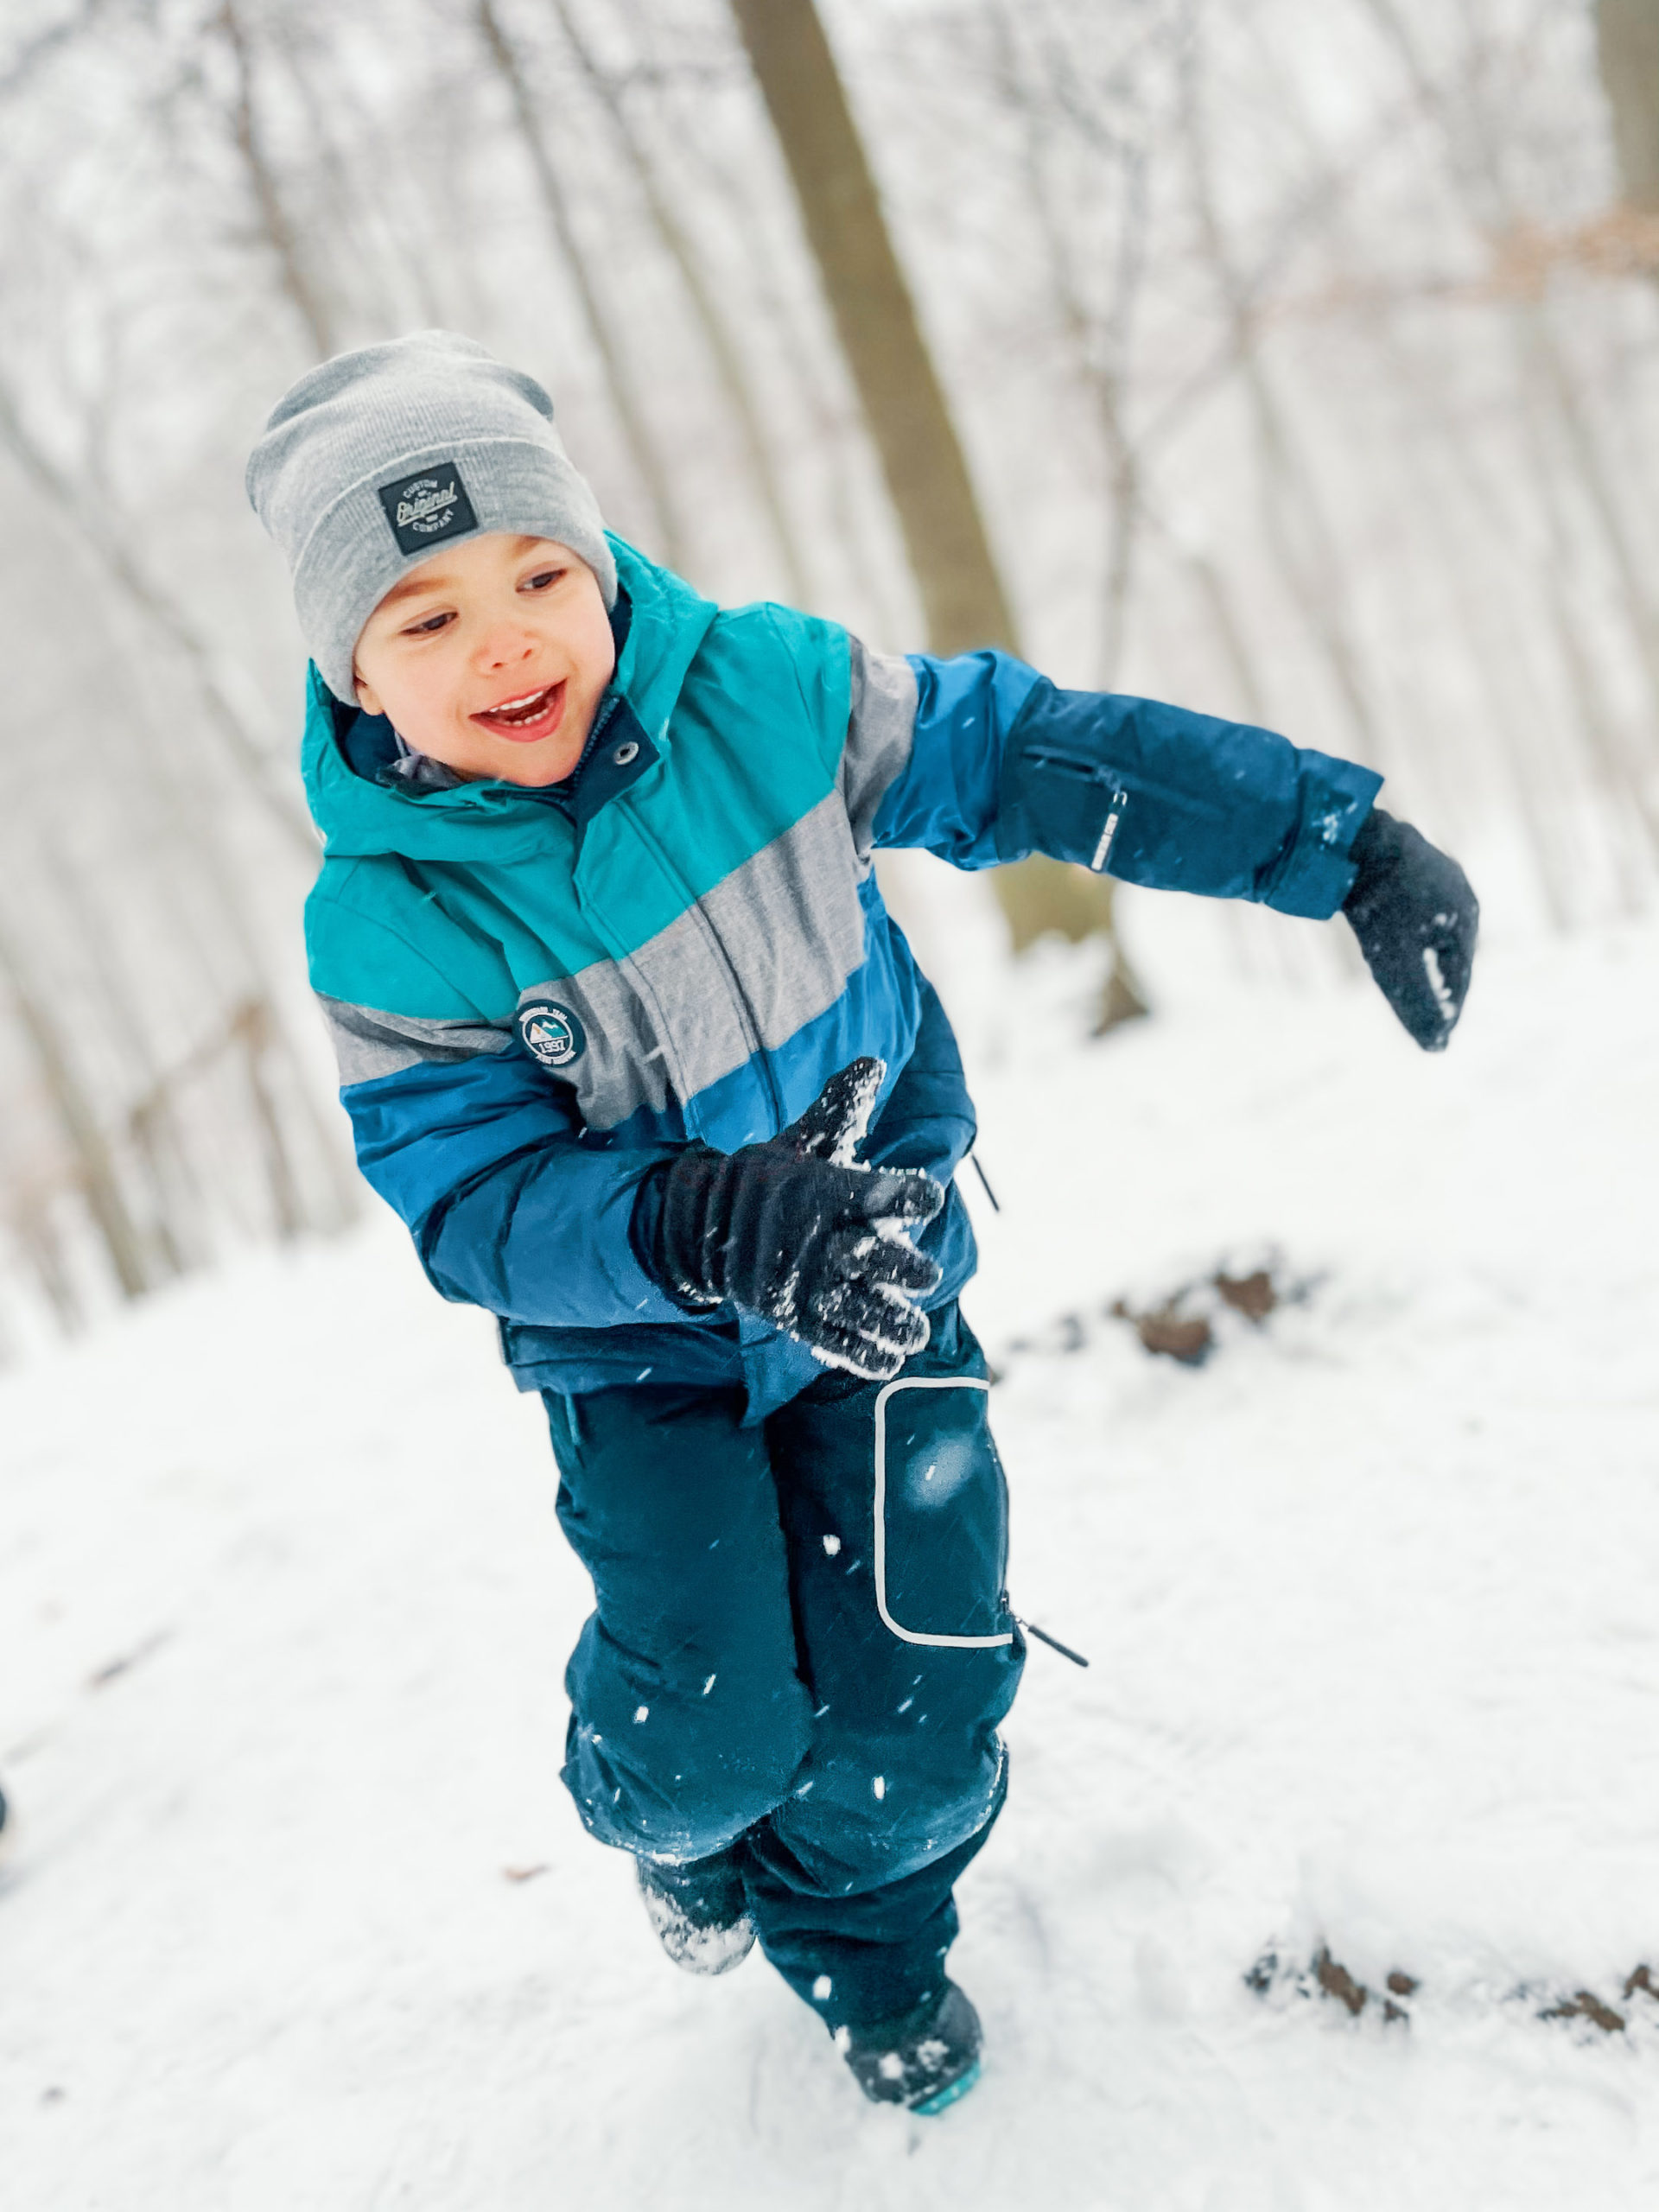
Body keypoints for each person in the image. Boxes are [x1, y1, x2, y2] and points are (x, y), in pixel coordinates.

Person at [246, 332, 1476, 2114]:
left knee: (925, 1702)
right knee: (708, 1742)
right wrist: (702, 1222)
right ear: (348, 667)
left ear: (597, 568)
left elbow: (1032, 754)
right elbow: (472, 1203)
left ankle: (868, 1948)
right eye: (423, 618)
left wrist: (1336, 840)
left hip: (881, 1288)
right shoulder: (387, 921)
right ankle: (664, 1823)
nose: (504, 637)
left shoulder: (771, 694)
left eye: (535, 574)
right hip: (645, 1363)